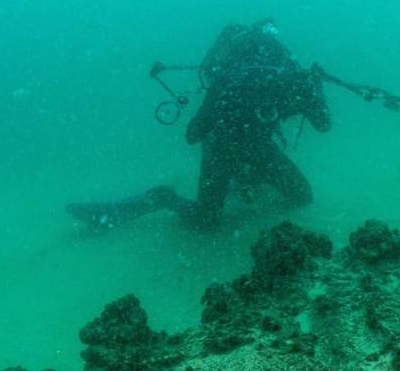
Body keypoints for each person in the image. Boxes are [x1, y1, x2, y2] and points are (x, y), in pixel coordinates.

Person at [67, 19, 331, 230]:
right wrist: (313, 92)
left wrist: (222, 108)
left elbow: (193, 134)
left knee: (208, 219)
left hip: (223, 149)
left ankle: (178, 195)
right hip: (249, 149)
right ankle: (169, 195)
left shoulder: (229, 83)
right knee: (300, 195)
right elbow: (323, 124)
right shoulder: (290, 84)